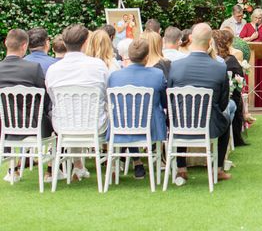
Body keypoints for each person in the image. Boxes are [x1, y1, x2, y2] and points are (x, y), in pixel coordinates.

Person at [168, 23, 231, 185]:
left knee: (181, 112)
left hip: (179, 126)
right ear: (210, 42)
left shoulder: (175, 66)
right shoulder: (219, 68)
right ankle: (218, 168)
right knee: (227, 117)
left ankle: (181, 168)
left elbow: (170, 100)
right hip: (209, 125)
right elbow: (223, 103)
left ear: (190, 39)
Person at [46, 24, 109, 182]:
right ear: (86, 42)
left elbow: (53, 99)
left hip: (63, 125)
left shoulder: (53, 69)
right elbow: (107, 95)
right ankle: (111, 166)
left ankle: (78, 165)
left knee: (71, 116)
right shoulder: (98, 66)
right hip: (96, 124)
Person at [0, 29, 56, 183]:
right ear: (24, 46)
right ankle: (51, 171)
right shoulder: (33, 68)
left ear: (6, 43)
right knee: (53, 119)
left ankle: (14, 169)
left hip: (5, 126)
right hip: (34, 126)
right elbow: (45, 99)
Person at [107, 38, 167, 180]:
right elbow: (164, 103)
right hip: (151, 127)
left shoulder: (115, 76)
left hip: (120, 126)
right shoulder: (157, 74)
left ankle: (132, 162)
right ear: (147, 57)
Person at [213, 30, 247, 146]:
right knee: (228, 106)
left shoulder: (224, 61)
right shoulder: (229, 61)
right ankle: (224, 142)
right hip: (222, 102)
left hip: (218, 101)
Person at [240, 8, 262, 109]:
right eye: (256, 17)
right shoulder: (247, 26)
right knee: (249, 76)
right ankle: (248, 102)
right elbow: (241, 40)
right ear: (252, 17)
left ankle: (261, 103)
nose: (258, 20)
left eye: (260, 18)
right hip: (249, 56)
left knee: (261, 76)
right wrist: (251, 38)